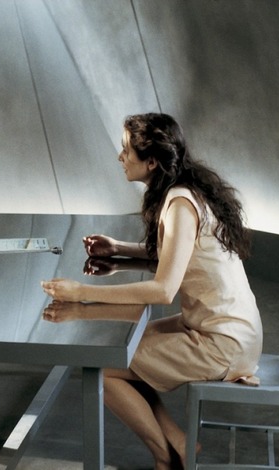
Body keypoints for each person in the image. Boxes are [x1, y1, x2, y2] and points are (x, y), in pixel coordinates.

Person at [41, 113, 262, 470]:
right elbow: (176, 255)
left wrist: (81, 292)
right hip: (230, 329)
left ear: (152, 162)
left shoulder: (180, 205)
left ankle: (165, 459)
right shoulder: (185, 192)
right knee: (121, 351)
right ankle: (179, 443)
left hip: (221, 342)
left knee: (101, 366)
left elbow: (163, 290)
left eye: (126, 150)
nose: (120, 157)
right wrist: (118, 248)